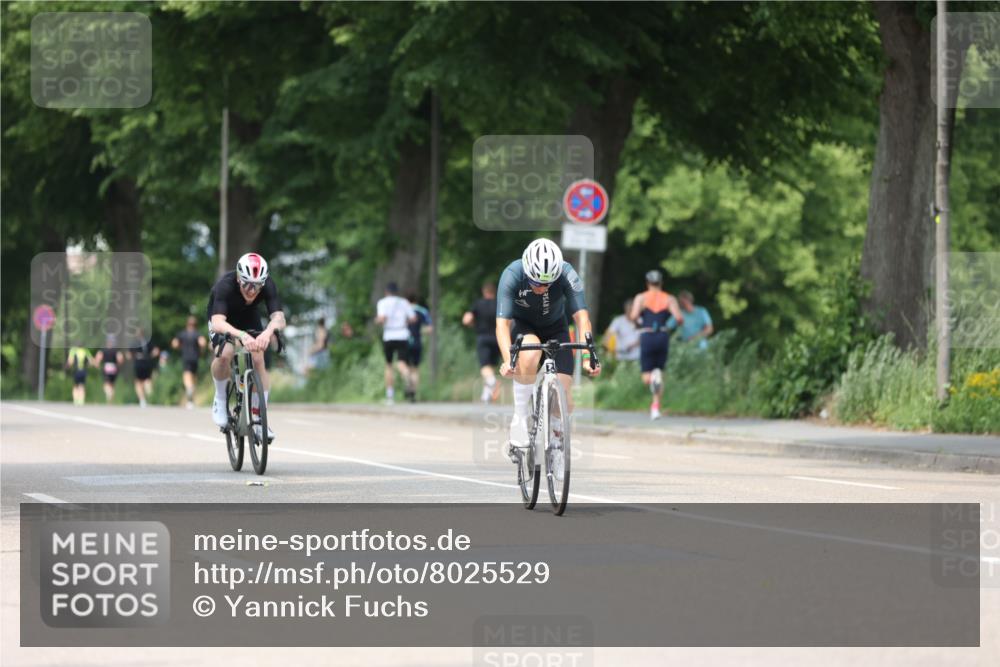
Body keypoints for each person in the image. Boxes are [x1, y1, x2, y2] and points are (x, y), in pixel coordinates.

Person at [496, 238, 600, 481]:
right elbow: (502, 325)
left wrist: (588, 355)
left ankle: (557, 441)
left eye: (547, 284)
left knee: (565, 394)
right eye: (535, 283)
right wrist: (508, 360)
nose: (541, 288)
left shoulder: (567, 274)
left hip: (556, 329)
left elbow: (582, 317)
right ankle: (520, 416)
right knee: (530, 352)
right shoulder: (512, 274)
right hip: (525, 327)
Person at [207, 252, 286, 439]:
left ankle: (260, 419)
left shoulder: (268, 285)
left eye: (257, 285)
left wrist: (267, 333)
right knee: (225, 353)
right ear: (238, 278)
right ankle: (220, 398)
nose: (252, 290)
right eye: (247, 284)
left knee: (258, 356)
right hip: (223, 318)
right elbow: (218, 322)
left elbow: (279, 318)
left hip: (248, 316)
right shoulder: (225, 286)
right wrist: (241, 335)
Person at [629, 269, 684, 420]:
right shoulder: (669, 299)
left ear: (647, 283)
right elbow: (679, 318)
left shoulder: (641, 298)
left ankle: (654, 379)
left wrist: (638, 323)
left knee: (646, 377)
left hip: (647, 334)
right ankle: (655, 407)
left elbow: (633, 316)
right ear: (661, 283)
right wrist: (669, 326)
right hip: (662, 335)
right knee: (659, 371)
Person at [375, 282, 416, 405]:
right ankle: (407, 375)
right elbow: (413, 318)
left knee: (389, 365)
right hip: (403, 334)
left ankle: (390, 396)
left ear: (386, 292)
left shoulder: (382, 303)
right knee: (402, 363)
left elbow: (382, 318)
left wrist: (377, 320)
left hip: (389, 335)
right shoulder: (403, 302)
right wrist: (403, 322)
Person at [462, 282, 501, 404]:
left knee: (485, 366)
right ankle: (486, 395)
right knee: (492, 367)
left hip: (483, 338)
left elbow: (466, 319)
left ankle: (492, 382)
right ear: (494, 292)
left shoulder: (478, 304)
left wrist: (473, 324)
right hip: (498, 338)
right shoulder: (499, 304)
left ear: (484, 292)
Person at [172, 315, 207, 409]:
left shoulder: (182, 334)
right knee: (194, 378)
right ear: (196, 325)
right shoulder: (197, 334)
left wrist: (180, 347)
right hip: (195, 358)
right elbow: (203, 343)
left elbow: (174, 344)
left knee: (187, 378)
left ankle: (189, 390)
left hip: (186, 358)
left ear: (187, 324)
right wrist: (201, 351)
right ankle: (191, 398)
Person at [404, 293, 433, 403]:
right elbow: (430, 329)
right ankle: (413, 392)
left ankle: (408, 383)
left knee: (404, 366)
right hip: (417, 341)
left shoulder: (404, 310)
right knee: (415, 369)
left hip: (404, 341)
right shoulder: (423, 311)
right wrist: (419, 332)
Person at [602, 298, 641, 362]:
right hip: (621, 358)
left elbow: (645, 336)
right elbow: (609, 333)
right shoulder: (618, 321)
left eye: (633, 310)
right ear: (625, 310)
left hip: (638, 358)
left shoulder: (641, 320)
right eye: (629, 310)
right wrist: (605, 347)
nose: (631, 312)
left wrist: (634, 345)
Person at [131, 329, 160, 408]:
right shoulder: (147, 342)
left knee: (138, 382)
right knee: (147, 381)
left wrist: (135, 357)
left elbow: (129, 354)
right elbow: (156, 351)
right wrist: (149, 356)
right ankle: (150, 398)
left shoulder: (134, 343)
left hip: (138, 363)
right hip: (147, 363)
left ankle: (142, 400)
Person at [94, 336, 124, 403]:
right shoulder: (116, 350)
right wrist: (118, 365)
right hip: (114, 367)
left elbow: (98, 358)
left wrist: (97, 365)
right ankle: (110, 400)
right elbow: (120, 359)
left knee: (106, 384)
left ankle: (109, 395)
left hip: (106, 367)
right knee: (112, 384)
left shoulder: (103, 349)